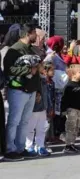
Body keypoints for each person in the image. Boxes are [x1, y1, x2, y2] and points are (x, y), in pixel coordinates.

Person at [3, 23, 41, 161]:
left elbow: (37, 72)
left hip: (31, 91)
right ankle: (9, 149)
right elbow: (8, 71)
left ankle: (20, 148)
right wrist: (27, 71)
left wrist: (38, 91)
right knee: (14, 121)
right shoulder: (14, 50)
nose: (36, 36)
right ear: (27, 34)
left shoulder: (31, 49)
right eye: (34, 33)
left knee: (24, 121)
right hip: (18, 91)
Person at [25, 60, 54, 156]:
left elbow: (48, 94)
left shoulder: (44, 78)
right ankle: (28, 146)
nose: (42, 67)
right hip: (34, 108)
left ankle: (40, 146)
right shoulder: (33, 78)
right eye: (40, 66)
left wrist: (49, 106)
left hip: (43, 107)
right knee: (31, 128)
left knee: (41, 128)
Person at [61, 64, 80, 153]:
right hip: (72, 109)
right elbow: (64, 99)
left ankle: (72, 143)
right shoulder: (69, 86)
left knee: (77, 127)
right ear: (73, 74)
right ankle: (67, 146)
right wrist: (64, 110)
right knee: (70, 127)